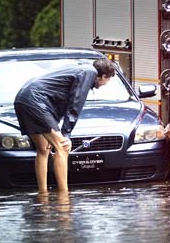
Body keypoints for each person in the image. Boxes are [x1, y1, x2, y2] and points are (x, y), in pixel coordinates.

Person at [14, 58, 116, 193]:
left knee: (43, 149)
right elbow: (76, 102)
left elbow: (59, 102)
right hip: (35, 100)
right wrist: (66, 133)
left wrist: (57, 127)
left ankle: (43, 194)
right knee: (63, 147)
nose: (106, 83)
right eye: (108, 80)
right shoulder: (89, 72)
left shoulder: (80, 68)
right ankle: (64, 196)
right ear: (103, 76)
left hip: (23, 98)